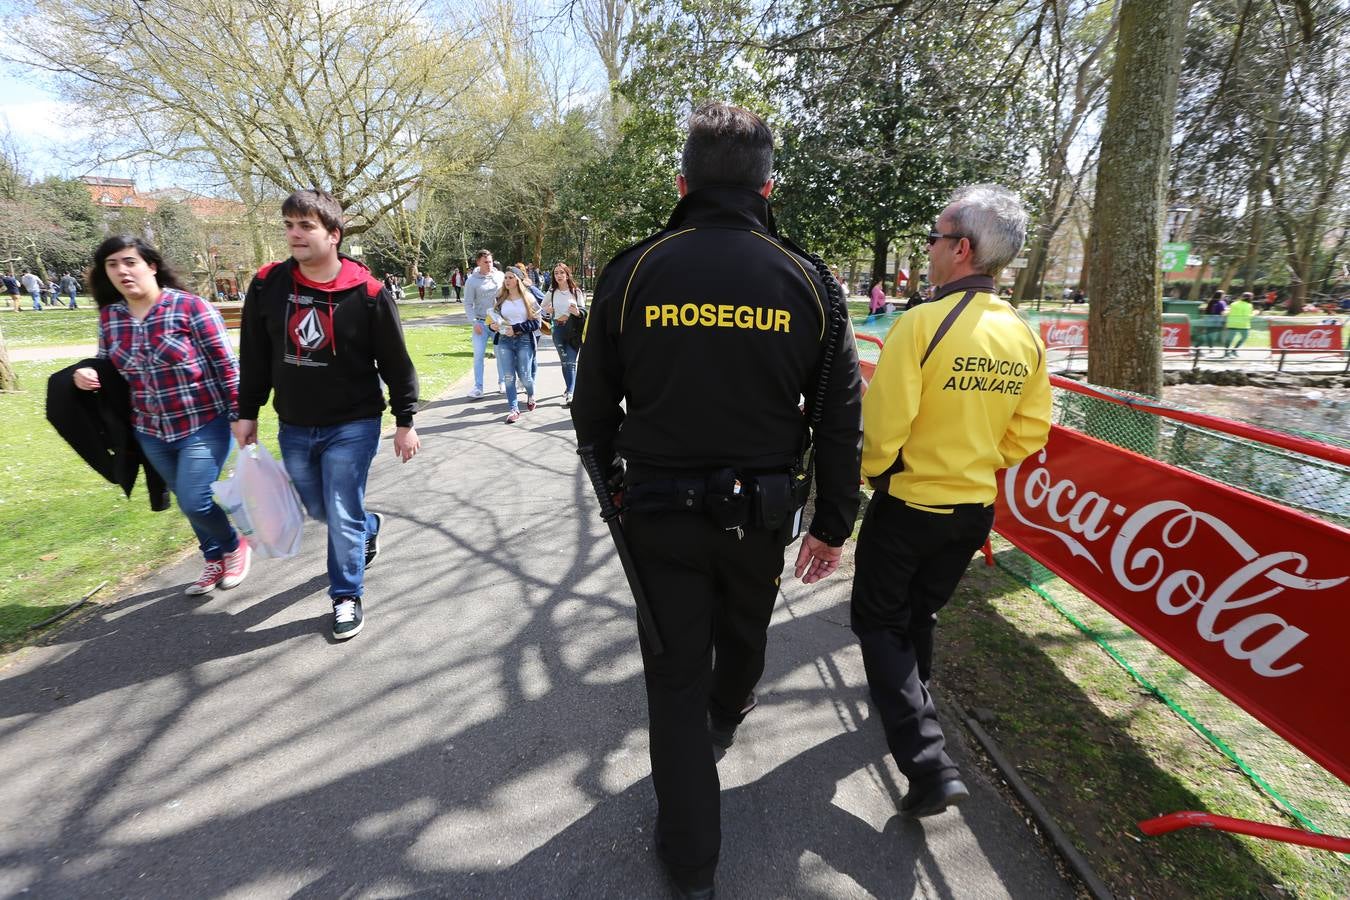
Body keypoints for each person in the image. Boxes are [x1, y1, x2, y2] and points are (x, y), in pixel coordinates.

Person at [571, 102, 862, 899]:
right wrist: (835, 521)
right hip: (760, 518)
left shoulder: (632, 271)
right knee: (744, 628)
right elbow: (840, 418)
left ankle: (692, 864)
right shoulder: (809, 282)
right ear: (770, 187)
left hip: (657, 515)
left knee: (672, 679)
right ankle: (729, 707)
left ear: (682, 182)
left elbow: (589, 412)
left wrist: (613, 486)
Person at [855, 184, 1052, 819]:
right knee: (918, 616)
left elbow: (884, 429)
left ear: (961, 248)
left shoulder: (921, 323)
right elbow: (1029, 433)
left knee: (879, 622)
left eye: (936, 238)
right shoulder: (1024, 335)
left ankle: (927, 761)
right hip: (972, 510)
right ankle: (914, 697)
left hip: (910, 503)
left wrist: (871, 477)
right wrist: (973, 460)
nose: (930, 249)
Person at [233, 189, 421, 641]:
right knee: (321, 508)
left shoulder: (369, 294)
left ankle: (345, 595)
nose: (294, 234)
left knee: (338, 509)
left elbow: (396, 362)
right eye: (288, 225)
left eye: (305, 226)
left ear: (333, 235)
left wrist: (405, 420)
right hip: (295, 422)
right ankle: (367, 525)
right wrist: (247, 411)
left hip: (353, 422)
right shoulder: (267, 286)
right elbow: (254, 355)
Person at [73, 236, 251, 596]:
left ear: (151, 266)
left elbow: (226, 367)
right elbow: (106, 366)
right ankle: (212, 557)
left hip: (204, 422)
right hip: (150, 429)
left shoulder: (190, 308)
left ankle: (234, 545)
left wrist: (239, 416)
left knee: (194, 498)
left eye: (130, 262)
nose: (122, 271)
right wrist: (85, 374)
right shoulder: (110, 318)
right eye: (112, 265)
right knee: (187, 499)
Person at [489, 265, 540, 423]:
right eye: (505, 277)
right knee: (509, 377)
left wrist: (516, 328)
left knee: (525, 377)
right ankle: (513, 409)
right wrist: (492, 326)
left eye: (511, 277)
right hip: (504, 341)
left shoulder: (529, 298)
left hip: (524, 340)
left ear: (518, 280)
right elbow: (491, 319)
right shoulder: (500, 298)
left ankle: (530, 394)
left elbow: (536, 323)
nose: (507, 280)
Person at [463, 250, 504, 398]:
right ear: (478, 262)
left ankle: (502, 382)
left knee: (500, 353)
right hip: (480, 323)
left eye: (491, 261)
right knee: (478, 355)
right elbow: (468, 304)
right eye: (485, 262)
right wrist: (474, 322)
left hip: (498, 322)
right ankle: (478, 387)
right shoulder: (472, 281)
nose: (489, 265)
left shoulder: (500, 276)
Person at [543, 261, 584, 407]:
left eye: (562, 272)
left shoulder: (576, 291)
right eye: (556, 273)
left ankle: (571, 393)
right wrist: (548, 309)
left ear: (567, 274)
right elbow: (542, 306)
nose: (559, 275)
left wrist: (577, 312)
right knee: (565, 362)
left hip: (573, 330)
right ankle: (569, 389)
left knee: (571, 363)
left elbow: (583, 311)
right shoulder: (552, 291)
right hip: (558, 330)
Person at [1224, 291, 1254, 358]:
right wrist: (1255, 313)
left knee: (1229, 339)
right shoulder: (1249, 305)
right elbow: (1248, 316)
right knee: (1244, 338)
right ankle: (1234, 350)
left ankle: (1226, 352)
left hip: (1232, 324)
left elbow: (1228, 313)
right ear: (1250, 298)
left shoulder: (1233, 304)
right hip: (1243, 325)